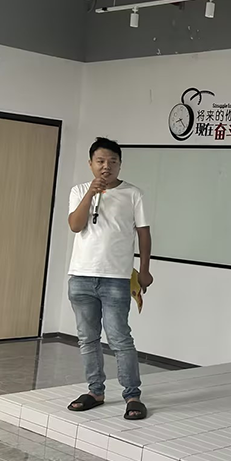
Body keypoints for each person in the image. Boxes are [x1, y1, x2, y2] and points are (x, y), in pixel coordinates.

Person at [66, 137, 153, 420]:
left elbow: (144, 234)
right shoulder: (79, 190)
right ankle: (95, 392)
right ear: (90, 163)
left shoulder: (133, 194)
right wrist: (91, 193)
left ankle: (132, 395)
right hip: (81, 276)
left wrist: (145, 269)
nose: (107, 166)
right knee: (87, 338)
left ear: (120, 164)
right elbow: (75, 225)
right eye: (101, 161)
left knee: (119, 338)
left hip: (116, 277)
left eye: (113, 161)